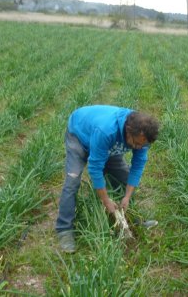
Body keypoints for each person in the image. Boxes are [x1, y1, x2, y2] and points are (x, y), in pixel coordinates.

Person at [55, 105, 160, 253]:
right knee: (72, 181)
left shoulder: (143, 138)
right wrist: (105, 201)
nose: (138, 147)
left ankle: (131, 218)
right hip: (80, 135)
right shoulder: (107, 130)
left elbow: (137, 166)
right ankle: (64, 229)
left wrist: (127, 197)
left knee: (124, 177)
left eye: (142, 145)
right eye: (135, 143)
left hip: (106, 143)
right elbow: (95, 167)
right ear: (128, 131)